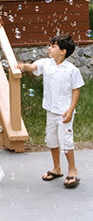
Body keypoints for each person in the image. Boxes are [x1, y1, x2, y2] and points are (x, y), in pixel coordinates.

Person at [18, 34, 84, 188]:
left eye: (53, 46)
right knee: (51, 141)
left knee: (66, 143)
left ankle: (72, 170)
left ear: (63, 51)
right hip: (50, 110)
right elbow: (33, 67)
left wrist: (71, 109)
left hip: (64, 113)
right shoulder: (46, 63)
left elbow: (76, 90)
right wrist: (22, 66)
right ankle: (56, 168)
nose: (49, 48)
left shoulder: (71, 70)